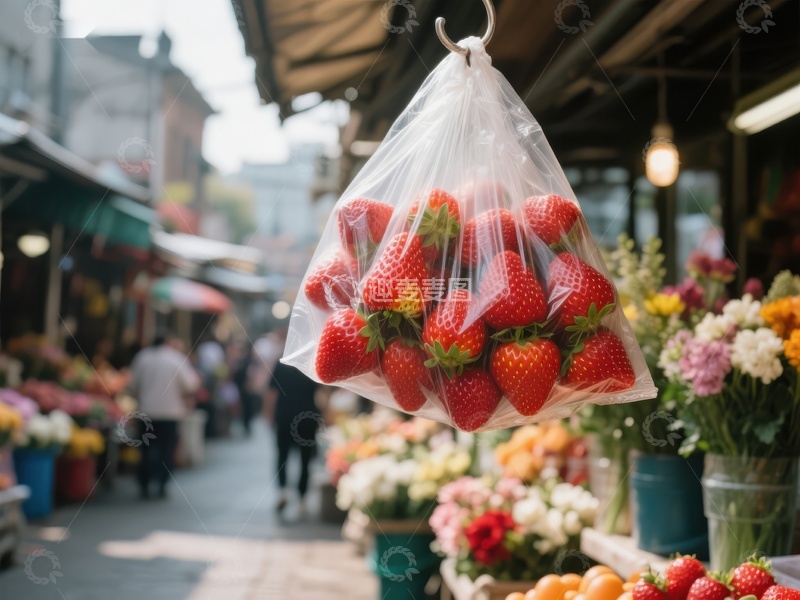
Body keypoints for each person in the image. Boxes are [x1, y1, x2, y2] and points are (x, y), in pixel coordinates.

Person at [128, 334, 199, 499]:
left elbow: (132, 385)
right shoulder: (176, 359)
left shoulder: (142, 357)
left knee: (146, 450)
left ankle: (144, 483)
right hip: (170, 413)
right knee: (166, 449)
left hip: (147, 412)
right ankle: (162, 483)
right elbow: (191, 384)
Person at [266, 360, 320, 515]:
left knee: (282, 455)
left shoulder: (281, 362)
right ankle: (302, 497)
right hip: (307, 417)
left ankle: (282, 491)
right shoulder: (311, 362)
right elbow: (322, 392)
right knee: (306, 458)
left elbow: (271, 392)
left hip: (284, 416)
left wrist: (269, 415)